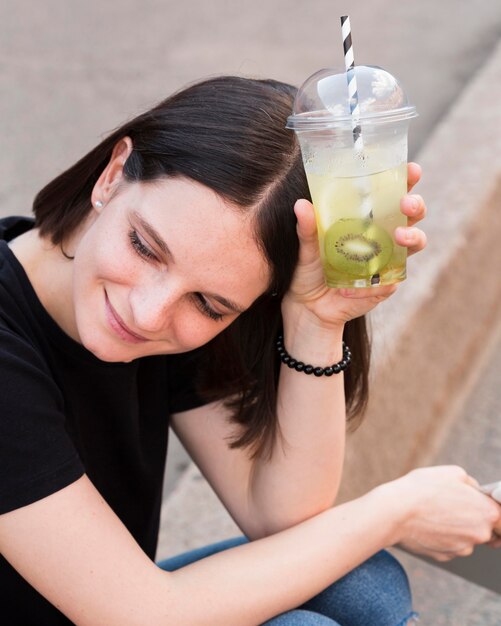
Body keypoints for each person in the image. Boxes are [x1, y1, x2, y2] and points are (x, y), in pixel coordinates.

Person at [0, 75, 499, 626]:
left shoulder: (189, 285)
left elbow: (280, 518)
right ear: (114, 174)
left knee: (363, 585)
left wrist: (317, 317)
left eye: (210, 306)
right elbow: (141, 613)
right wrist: (396, 511)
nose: (149, 313)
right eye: (144, 246)